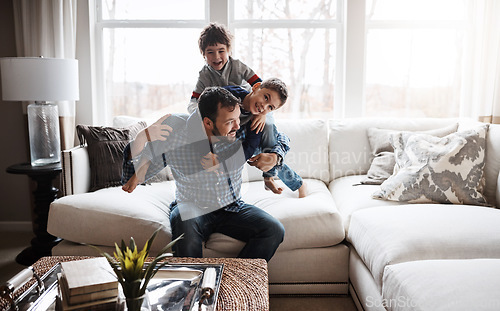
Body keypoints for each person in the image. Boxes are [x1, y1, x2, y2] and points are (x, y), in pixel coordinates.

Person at [122, 87, 286, 262]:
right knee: (184, 220)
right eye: (230, 121)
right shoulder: (177, 138)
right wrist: (142, 138)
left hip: (231, 207)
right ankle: (193, 286)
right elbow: (131, 176)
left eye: (238, 119)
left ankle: (233, 280)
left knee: (274, 229)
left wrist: (276, 156)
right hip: (191, 205)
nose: (237, 126)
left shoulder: (241, 132)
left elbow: (280, 139)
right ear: (208, 123)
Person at [190, 22, 307, 197]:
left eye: (221, 51)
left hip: (251, 110)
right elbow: (194, 103)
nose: (216, 57)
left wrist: (263, 114)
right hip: (229, 121)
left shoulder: (238, 67)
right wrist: (203, 117)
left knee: (269, 134)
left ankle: (271, 177)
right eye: (210, 52)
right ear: (203, 54)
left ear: (229, 50)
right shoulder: (205, 76)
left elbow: (262, 88)